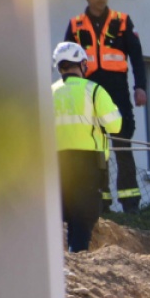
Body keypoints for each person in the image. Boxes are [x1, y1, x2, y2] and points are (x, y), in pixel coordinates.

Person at [64, 0, 146, 213]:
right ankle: (102, 202)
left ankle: (130, 203)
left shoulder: (122, 21)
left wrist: (140, 87)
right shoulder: (76, 25)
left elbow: (137, 57)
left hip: (117, 91)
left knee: (122, 144)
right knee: (97, 148)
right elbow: (66, 63)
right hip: (88, 91)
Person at [52, 41, 122, 253]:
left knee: (63, 213)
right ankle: (77, 257)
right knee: (83, 217)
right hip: (88, 163)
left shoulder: (48, 93)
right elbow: (115, 125)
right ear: (81, 64)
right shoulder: (93, 91)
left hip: (56, 162)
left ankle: (65, 259)